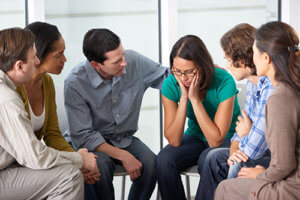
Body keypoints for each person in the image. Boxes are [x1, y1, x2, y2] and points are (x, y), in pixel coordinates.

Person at [63, 28, 170, 200]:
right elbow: (83, 136)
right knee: (100, 165)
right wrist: (124, 156)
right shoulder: (75, 83)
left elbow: (167, 76)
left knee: (151, 162)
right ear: (96, 65)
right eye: (116, 61)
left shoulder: (133, 61)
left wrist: (203, 71)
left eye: (123, 55)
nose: (124, 63)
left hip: (123, 138)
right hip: (92, 144)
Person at [0, 28, 99, 200]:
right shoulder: (8, 99)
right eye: (34, 57)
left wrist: (79, 161)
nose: (37, 61)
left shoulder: (41, 83)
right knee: (69, 176)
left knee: (72, 170)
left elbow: (52, 135)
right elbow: (35, 156)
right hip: (9, 170)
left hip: (14, 165)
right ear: (19, 66)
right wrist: (79, 160)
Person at [215, 21, 300, 200]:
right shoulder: (291, 87)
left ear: (266, 58)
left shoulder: (280, 97)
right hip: (289, 176)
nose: (251, 59)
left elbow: (283, 165)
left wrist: (261, 175)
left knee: (225, 189)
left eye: (254, 52)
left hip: (292, 185)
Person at [155, 35, 241, 200]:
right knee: (163, 160)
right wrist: (184, 99)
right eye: (177, 71)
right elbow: (174, 140)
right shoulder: (171, 84)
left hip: (228, 138)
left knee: (207, 159)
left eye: (189, 72)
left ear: (202, 66)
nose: (183, 78)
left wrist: (195, 100)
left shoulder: (224, 81)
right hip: (195, 136)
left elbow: (215, 140)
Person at [195, 23, 274, 200]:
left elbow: (254, 150)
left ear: (242, 62)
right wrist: (235, 147)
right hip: (258, 149)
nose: (226, 66)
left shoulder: (271, 86)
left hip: (278, 160)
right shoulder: (253, 84)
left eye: (228, 60)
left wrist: (244, 136)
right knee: (213, 158)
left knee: (238, 164)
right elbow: (240, 130)